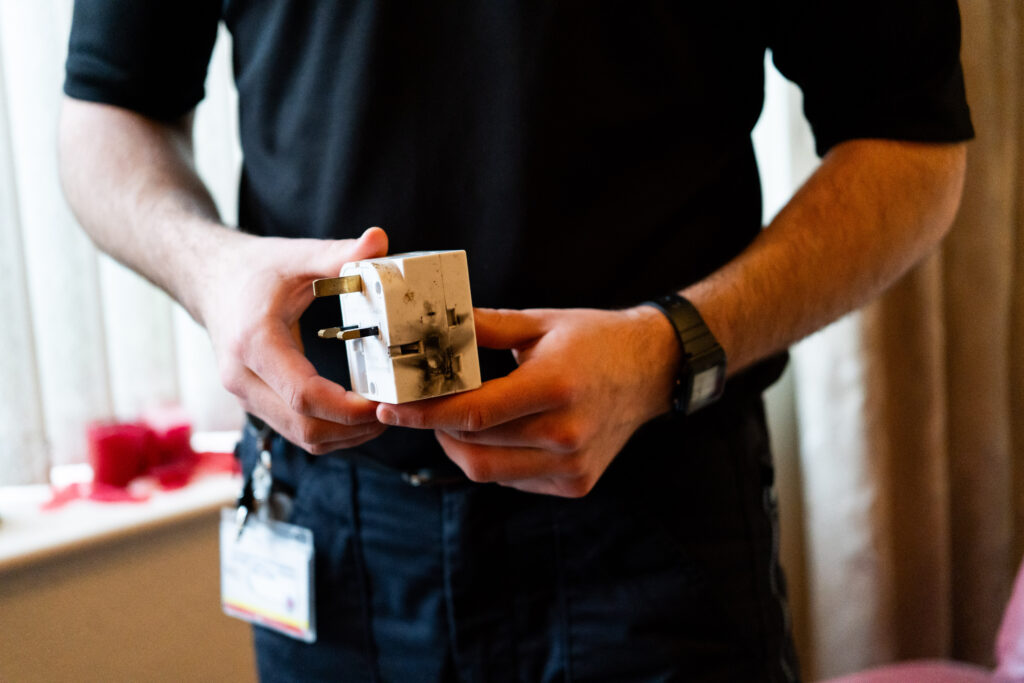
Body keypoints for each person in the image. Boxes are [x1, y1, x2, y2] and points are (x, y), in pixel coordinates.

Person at [58, 1, 972, 680]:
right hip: (331, 526)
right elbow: (106, 111)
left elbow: (914, 145)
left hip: (654, 514)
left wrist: (670, 346)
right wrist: (212, 271)